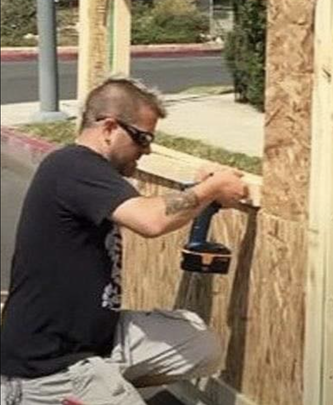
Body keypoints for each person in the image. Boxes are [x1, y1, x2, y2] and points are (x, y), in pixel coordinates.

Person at [0, 77, 248, 405]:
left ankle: (105, 382)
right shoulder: (72, 166)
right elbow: (151, 220)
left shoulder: (87, 173)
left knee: (200, 345)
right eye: (143, 138)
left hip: (98, 339)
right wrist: (212, 189)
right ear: (109, 128)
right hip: (52, 367)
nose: (146, 149)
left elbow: (151, 208)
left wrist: (199, 189)